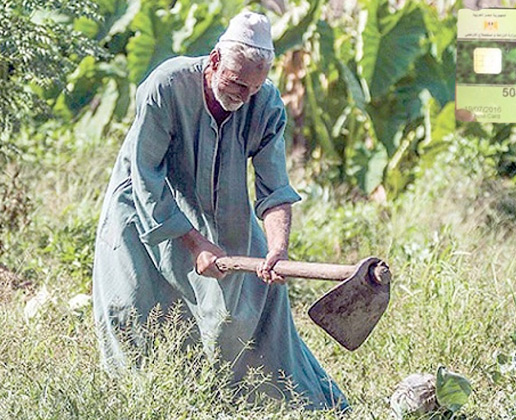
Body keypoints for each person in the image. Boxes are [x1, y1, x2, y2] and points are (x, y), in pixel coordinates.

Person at [92, 10, 348, 411]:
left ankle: (273, 402)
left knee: (255, 303)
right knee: (134, 302)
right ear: (214, 61)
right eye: (235, 82)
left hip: (220, 207)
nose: (241, 96)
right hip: (143, 206)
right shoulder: (166, 86)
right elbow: (147, 175)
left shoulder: (264, 104)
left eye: (253, 87)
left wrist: (277, 248)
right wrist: (196, 245)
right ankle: (146, 405)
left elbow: (275, 188)